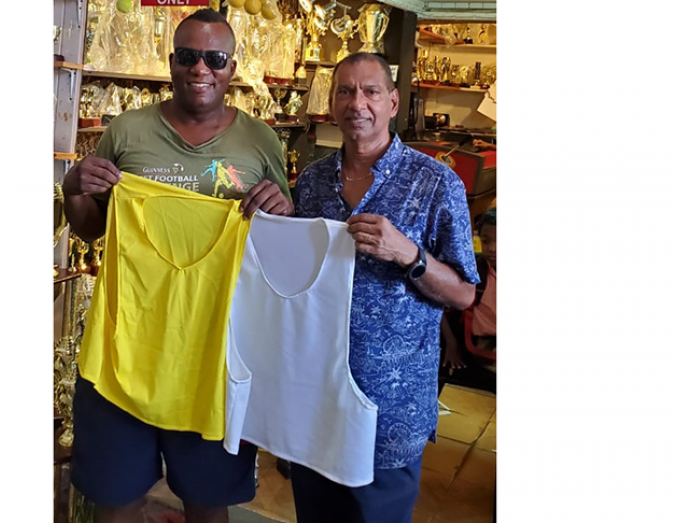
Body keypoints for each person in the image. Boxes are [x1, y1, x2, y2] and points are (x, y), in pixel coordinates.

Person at [61, 9, 292, 523]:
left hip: (216, 352)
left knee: (208, 503)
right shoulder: (127, 131)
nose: (200, 69)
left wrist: (284, 213)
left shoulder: (261, 143)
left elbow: (281, 245)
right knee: (114, 500)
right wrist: (74, 189)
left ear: (233, 68)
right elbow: (91, 229)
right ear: (171, 63)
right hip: (125, 350)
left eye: (215, 58)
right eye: (188, 56)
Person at [291, 53, 479, 523]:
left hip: (389, 407)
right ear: (332, 104)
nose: (358, 103)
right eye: (346, 91)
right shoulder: (311, 183)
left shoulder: (437, 183)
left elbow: (463, 294)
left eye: (371, 91)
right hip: (315, 394)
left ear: (393, 102)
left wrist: (410, 255)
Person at [441, 207, 497, 386]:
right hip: (475, 354)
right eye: (486, 241)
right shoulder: (473, 272)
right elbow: (440, 304)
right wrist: (452, 344)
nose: (492, 249)